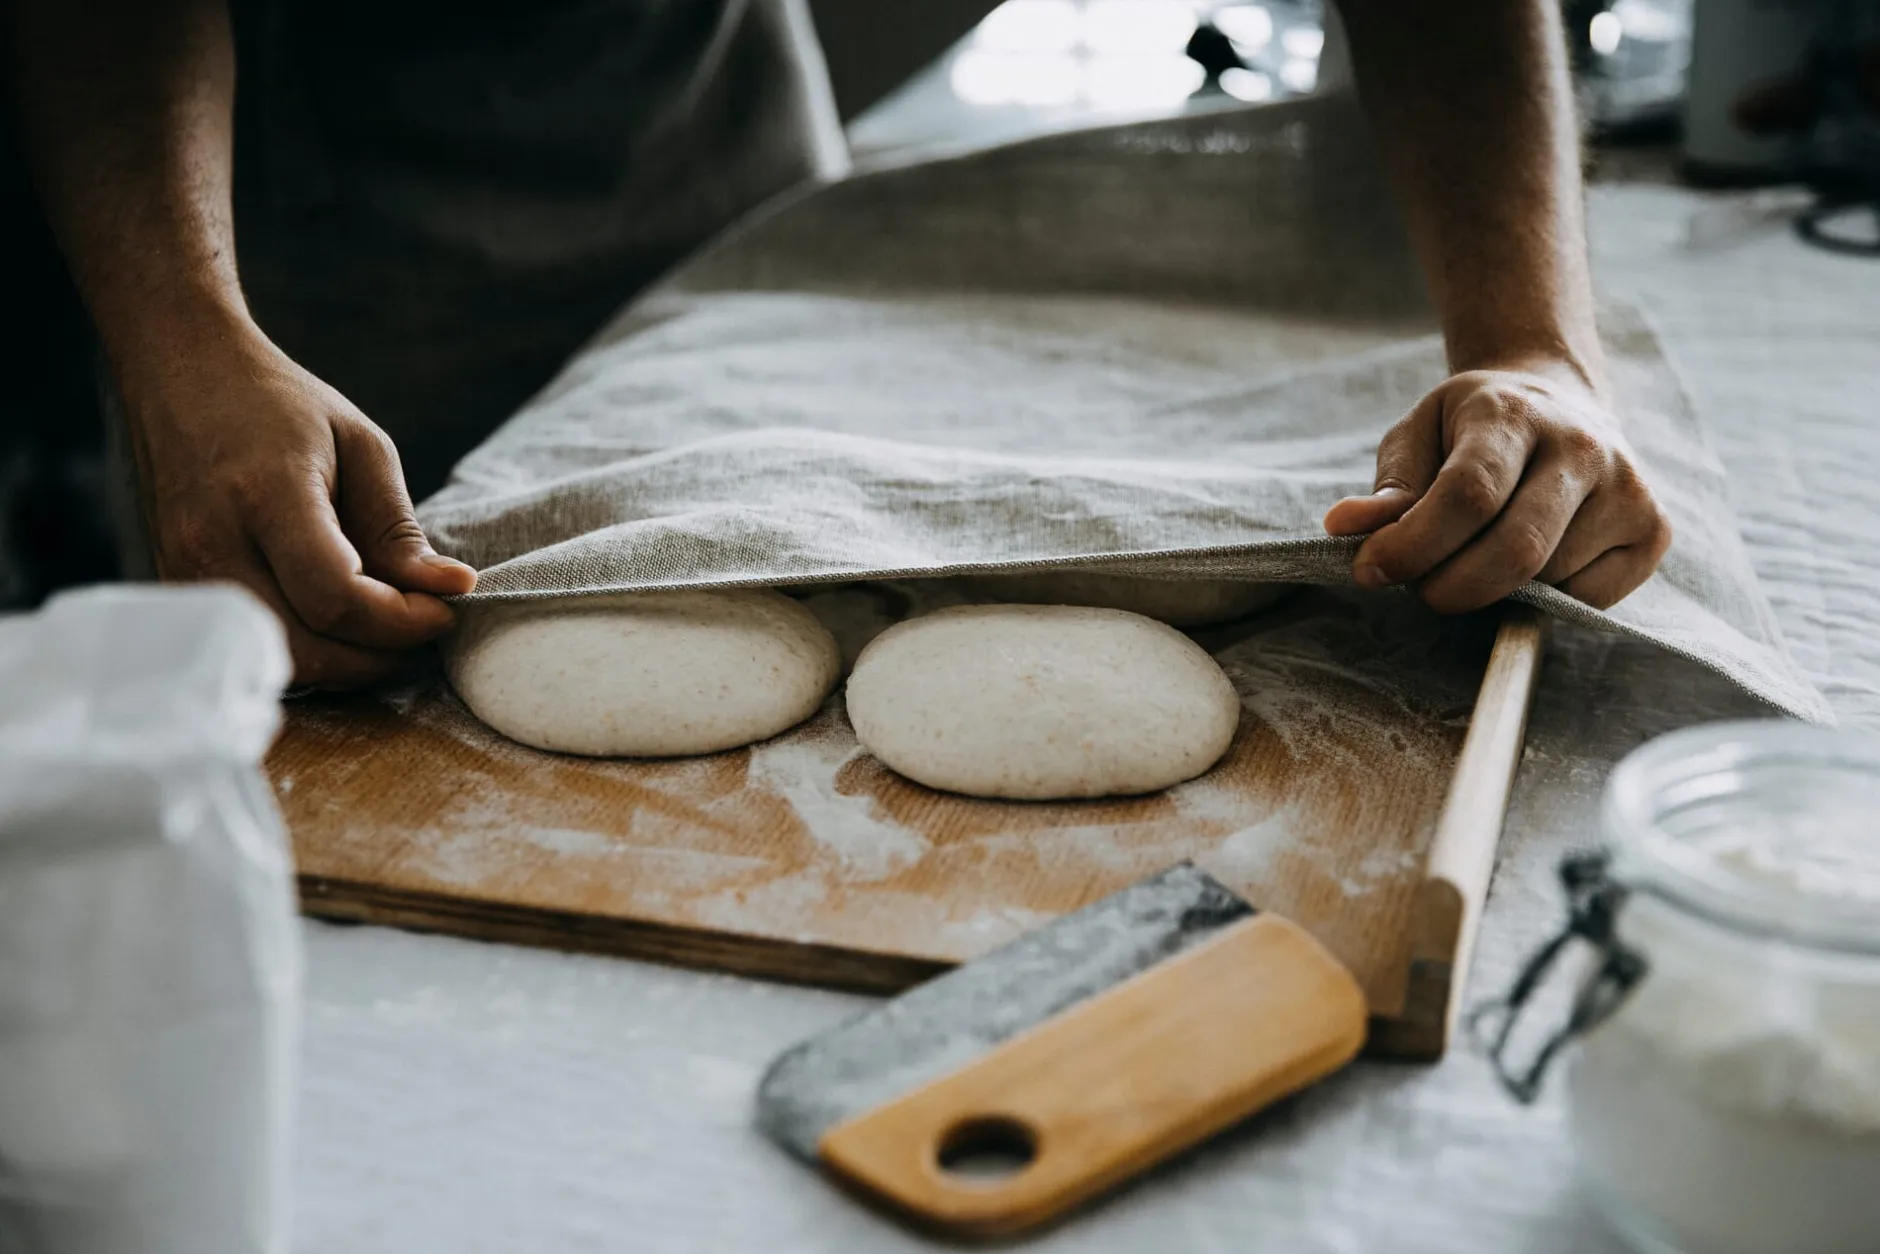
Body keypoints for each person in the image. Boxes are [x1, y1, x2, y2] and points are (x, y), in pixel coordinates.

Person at [4, 0, 1671, 688]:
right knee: (345, 648)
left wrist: (1533, 344)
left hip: (713, 140)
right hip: (293, 204)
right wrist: (185, 339)